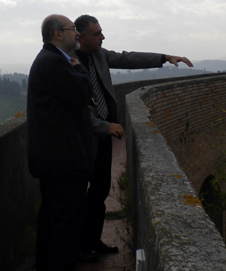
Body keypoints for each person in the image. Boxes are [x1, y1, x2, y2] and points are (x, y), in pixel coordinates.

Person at [72, 14, 193, 258]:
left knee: (100, 189)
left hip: (105, 134)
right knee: (77, 194)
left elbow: (129, 58)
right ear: (81, 37)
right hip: (82, 138)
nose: (103, 37)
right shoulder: (69, 61)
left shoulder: (100, 55)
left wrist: (165, 58)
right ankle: (78, 246)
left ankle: (92, 241)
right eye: (97, 34)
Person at [26, 14, 101, 271]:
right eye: (72, 30)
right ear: (58, 34)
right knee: (66, 225)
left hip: (52, 158)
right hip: (63, 160)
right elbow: (82, 93)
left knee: (51, 223)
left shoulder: (47, 60)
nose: (76, 35)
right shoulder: (56, 62)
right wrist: (81, 69)